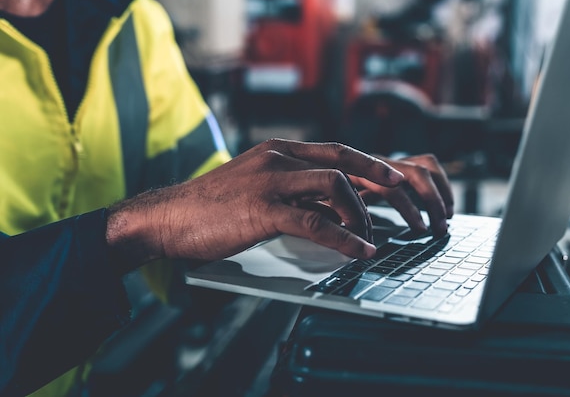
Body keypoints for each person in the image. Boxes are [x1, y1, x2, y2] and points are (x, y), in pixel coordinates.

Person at [0, 0, 453, 395]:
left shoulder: (131, 18)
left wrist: (292, 199)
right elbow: (166, 217)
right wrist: (139, 228)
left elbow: (204, 198)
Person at [1, 138, 455, 397]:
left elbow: (206, 184)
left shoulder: (134, 18)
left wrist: (302, 186)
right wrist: (142, 226)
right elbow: (174, 210)